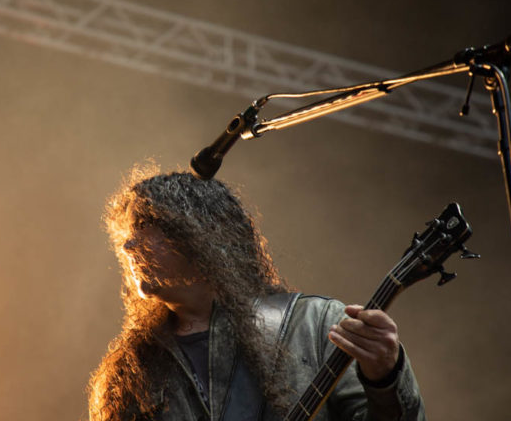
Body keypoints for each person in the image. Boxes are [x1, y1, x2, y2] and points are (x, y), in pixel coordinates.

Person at [88, 166, 425, 421]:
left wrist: (385, 377)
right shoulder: (132, 369)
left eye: (146, 226)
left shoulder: (318, 325)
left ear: (201, 237)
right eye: (128, 233)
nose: (128, 246)